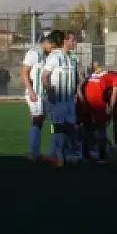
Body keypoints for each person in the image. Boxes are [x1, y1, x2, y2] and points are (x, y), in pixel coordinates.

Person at [42, 30, 83, 166]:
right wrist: (50, 91)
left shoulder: (72, 58)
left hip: (70, 101)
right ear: (65, 41)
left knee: (70, 127)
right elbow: (44, 76)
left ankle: (66, 152)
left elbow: (76, 78)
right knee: (57, 127)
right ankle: (58, 155)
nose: (75, 42)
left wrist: (78, 93)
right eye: (73, 40)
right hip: (58, 101)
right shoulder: (54, 57)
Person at [20, 31, 57, 162]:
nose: (52, 46)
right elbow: (24, 73)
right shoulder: (33, 53)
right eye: (51, 43)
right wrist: (30, 91)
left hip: (46, 94)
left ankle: (43, 151)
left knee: (48, 122)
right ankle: (32, 152)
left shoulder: (49, 55)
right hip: (35, 93)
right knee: (37, 120)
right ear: (45, 41)